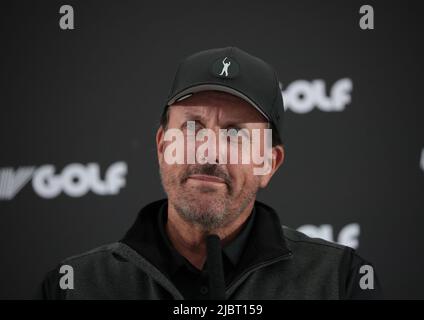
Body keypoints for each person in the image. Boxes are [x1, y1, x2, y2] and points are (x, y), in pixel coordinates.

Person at [38, 47, 381, 299]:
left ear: (269, 164)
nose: (209, 150)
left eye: (235, 133)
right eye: (192, 126)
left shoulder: (339, 282)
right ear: (161, 145)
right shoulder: (74, 286)